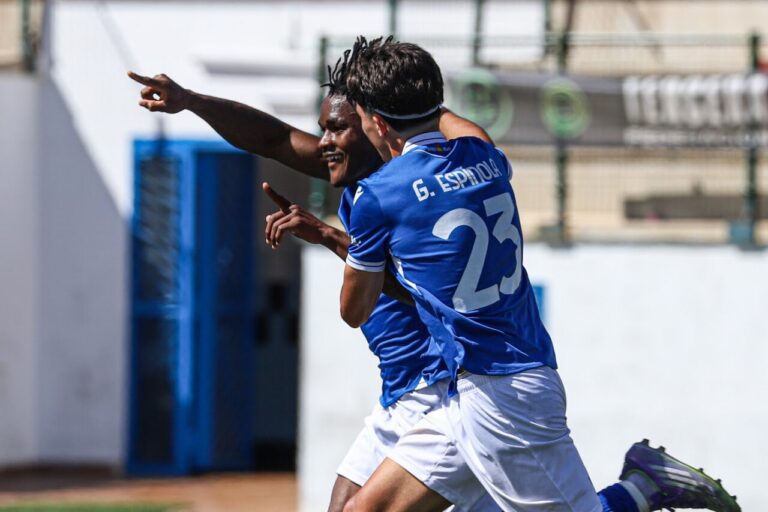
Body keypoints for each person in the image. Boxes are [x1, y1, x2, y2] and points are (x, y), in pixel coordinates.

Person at [337, 36, 741, 512]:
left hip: (504, 394)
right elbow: (468, 131)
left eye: (363, 122)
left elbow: (354, 310)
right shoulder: (484, 158)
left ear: (379, 123)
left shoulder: (378, 195)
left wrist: (345, 245)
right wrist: (430, 105)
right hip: (467, 388)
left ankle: (644, 485)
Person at [128, 64, 501, 512]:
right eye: (322, 129)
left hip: (438, 388)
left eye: (338, 128)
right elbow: (273, 139)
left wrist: (329, 236)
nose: (323, 142)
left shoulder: (407, 186)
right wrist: (191, 100)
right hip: (400, 389)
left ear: (372, 127)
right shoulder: (362, 179)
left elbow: (422, 293)